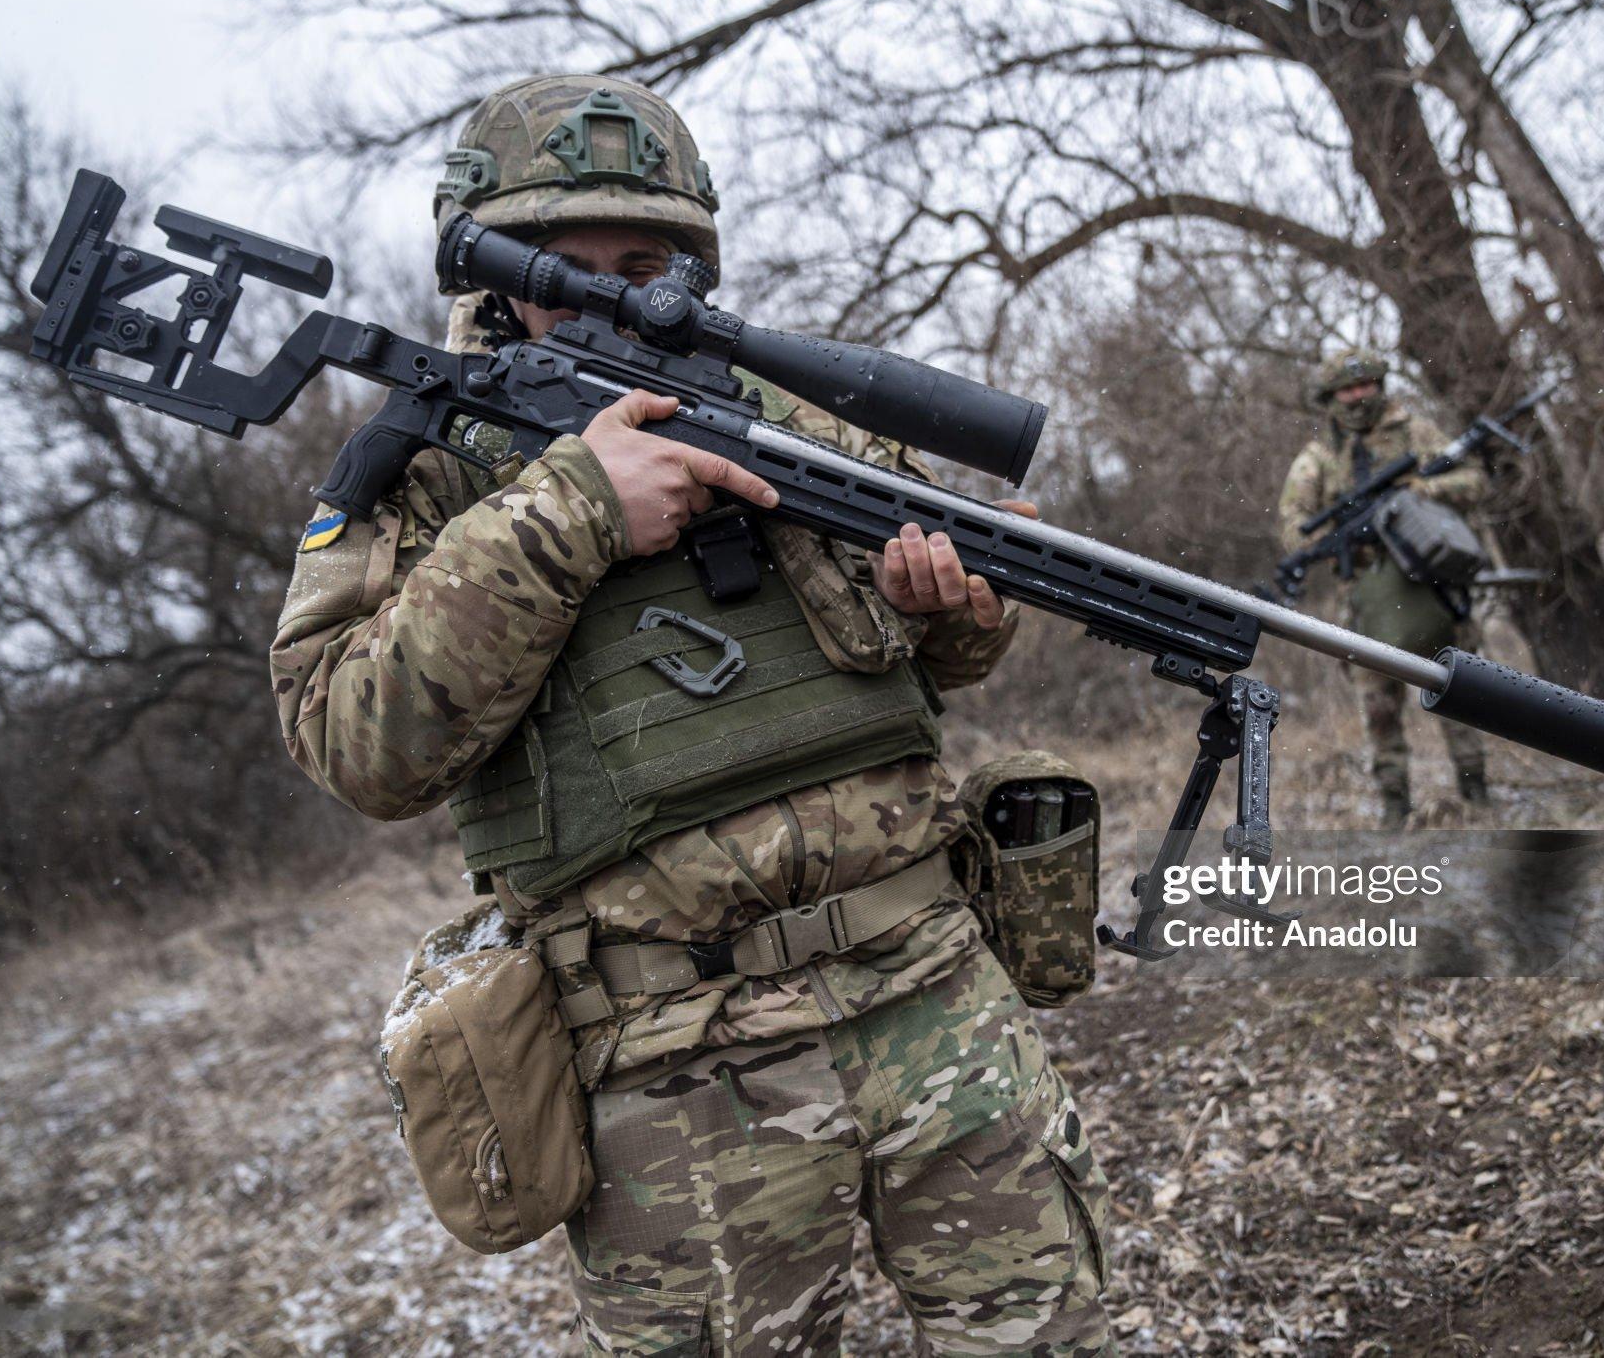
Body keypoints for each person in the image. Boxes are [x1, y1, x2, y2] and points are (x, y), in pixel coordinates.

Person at [270, 74, 1112, 1356]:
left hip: (936, 992)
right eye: (565, 266)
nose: (614, 293)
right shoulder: (424, 459)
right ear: (491, 273)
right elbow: (352, 741)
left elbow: (937, 661)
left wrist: (951, 603)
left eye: (645, 261)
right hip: (671, 1071)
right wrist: (571, 511)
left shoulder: (789, 411)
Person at [1277, 349, 1489, 828]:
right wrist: (1339, 537)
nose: (1358, 397)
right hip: (1366, 595)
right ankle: (1395, 808)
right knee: (1378, 708)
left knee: (1460, 691)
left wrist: (1421, 493)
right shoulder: (1319, 458)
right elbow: (1292, 528)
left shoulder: (1416, 432)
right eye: (1347, 390)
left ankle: (1476, 796)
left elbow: (1474, 480)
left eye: (1366, 385)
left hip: (1433, 582)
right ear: (1330, 398)